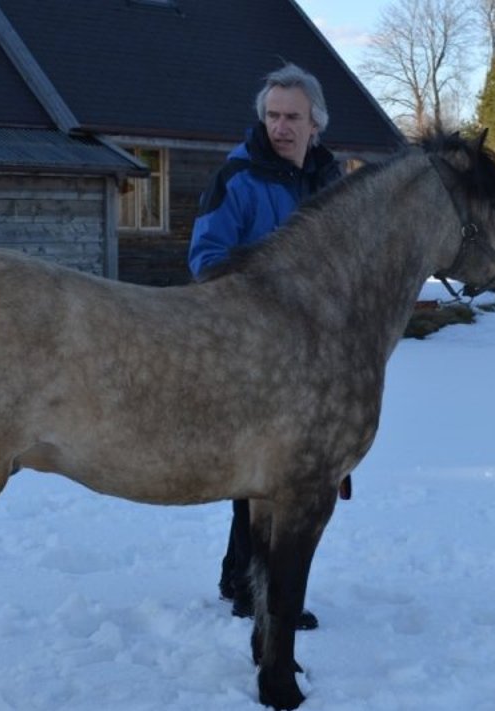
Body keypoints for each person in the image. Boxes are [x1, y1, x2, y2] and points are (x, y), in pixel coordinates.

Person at [188, 63, 343, 630]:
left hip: (320, 351)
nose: (280, 126)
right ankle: (256, 588)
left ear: (315, 125)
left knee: (300, 471)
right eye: (273, 116)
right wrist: (276, 297)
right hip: (251, 345)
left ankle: (244, 578)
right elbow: (206, 260)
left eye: (292, 117)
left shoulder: (332, 184)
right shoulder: (239, 176)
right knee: (265, 473)